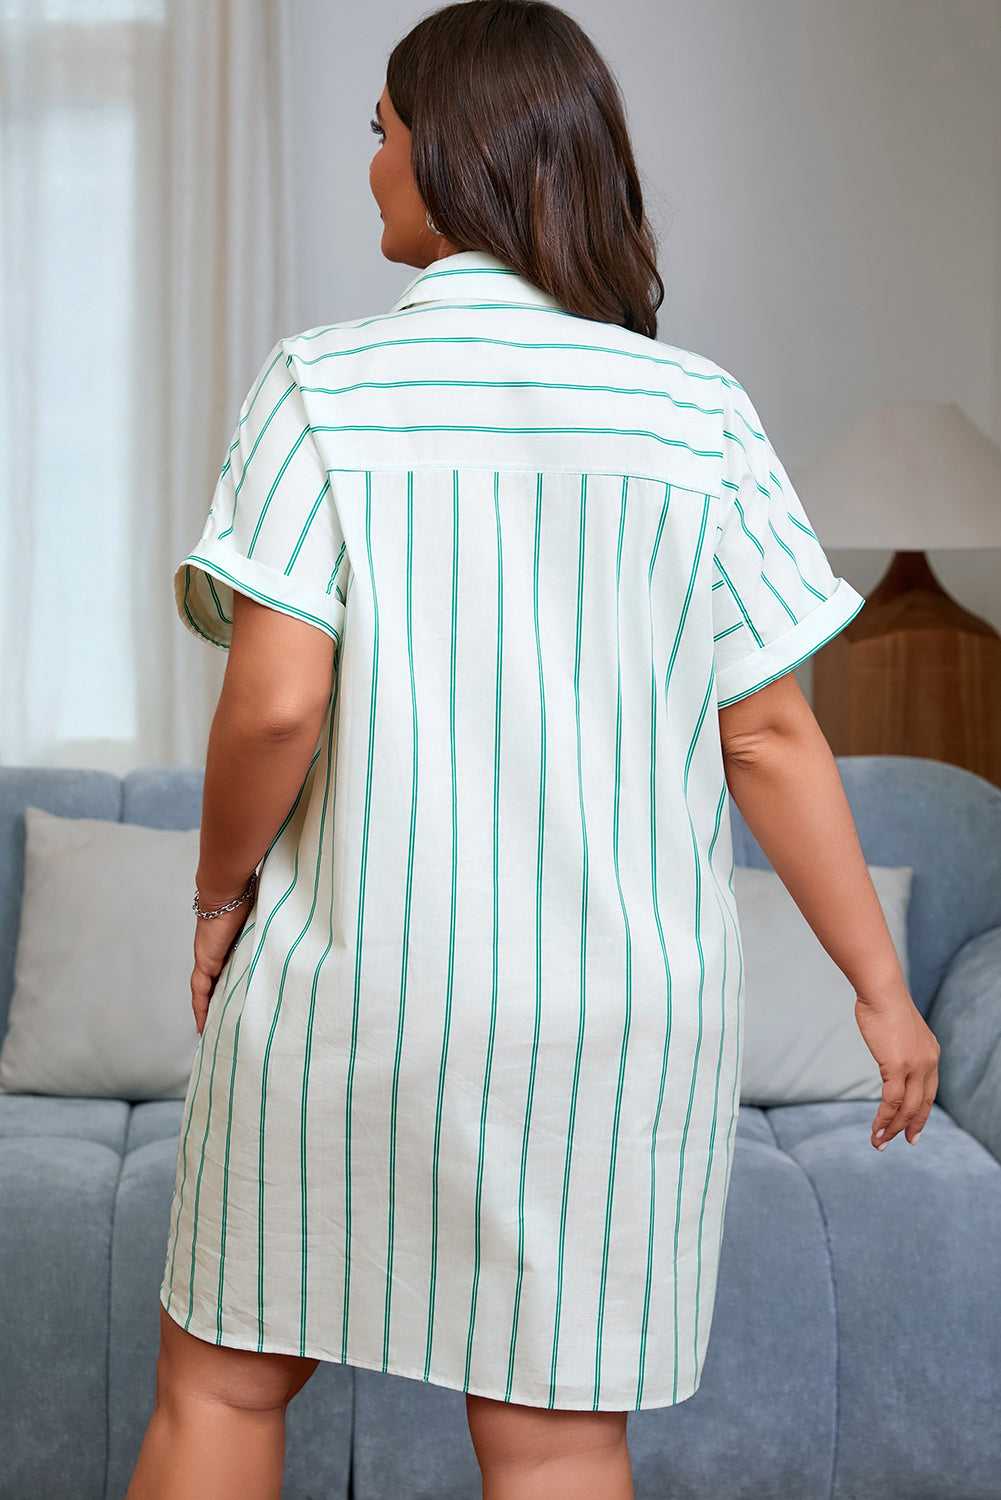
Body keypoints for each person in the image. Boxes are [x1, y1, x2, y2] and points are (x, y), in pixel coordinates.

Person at [126, 3, 941, 1497]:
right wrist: (879, 993)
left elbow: (276, 703)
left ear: (451, 150)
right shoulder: (696, 413)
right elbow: (766, 730)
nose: (366, 163)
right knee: (556, 1434)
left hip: (348, 998)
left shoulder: (323, 387)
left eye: (378, 130)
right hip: (609, 1027)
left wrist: (216, 898)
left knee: (227, 1393)